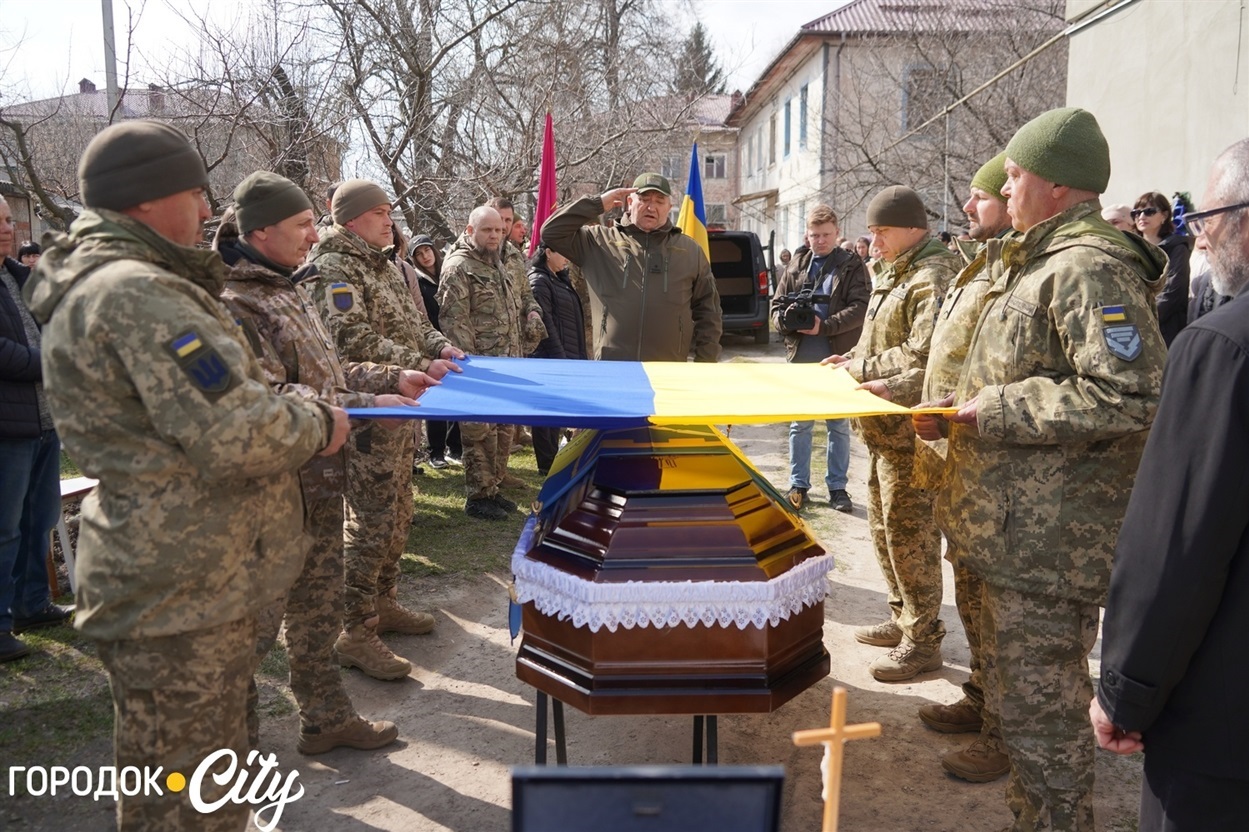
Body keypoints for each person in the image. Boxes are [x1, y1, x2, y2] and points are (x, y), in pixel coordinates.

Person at [25, 120, 350, 830]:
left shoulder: (118, 282)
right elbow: (237, 431)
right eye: (196, 192)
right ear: (145, 200)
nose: (208, 210)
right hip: (179, 591)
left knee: (191, 790)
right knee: (184, 805)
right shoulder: (142, 295)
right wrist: (320, 424)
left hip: (179, 577)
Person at [935, 108, 1167, 830]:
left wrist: (996, 408)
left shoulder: (1087, 269)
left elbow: (1132, 395)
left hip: (1047, 545)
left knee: (1043, 722)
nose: (1003, 185)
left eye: (1013, 173)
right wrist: (966, 401)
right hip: (1013, 535)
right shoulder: (1039, 260)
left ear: (1059, 186)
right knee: (1022, 711)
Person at [216, 171, 438, 751]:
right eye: (302, 224)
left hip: (317, 478)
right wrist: (368, 398)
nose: (313, 234)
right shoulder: (235, 301)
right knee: (256, 628)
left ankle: (325, 716)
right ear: (260, 231)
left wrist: (381, 389)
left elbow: (326, 377)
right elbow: (258, 398)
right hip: (272, 491)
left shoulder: (288, 284)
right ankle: (216, 747)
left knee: (316, 609)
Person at [1091, 138, 1249, 831]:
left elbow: (1175, 551)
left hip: (1223, 736)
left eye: (1207, 213)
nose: (1199, 233)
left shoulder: (1220, 347)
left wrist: (1125, 695)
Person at [306, 179, 462, 680]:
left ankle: (384, 601)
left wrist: (440, 348)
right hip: (368, 411)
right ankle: (355, 629)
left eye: (388, 212)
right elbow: (350, 339)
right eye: (378, 212)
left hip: (402, 407)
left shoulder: (387, 264)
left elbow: (415, 323)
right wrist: (417, 361)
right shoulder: (334, 268)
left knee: (398, 512)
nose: (388, 219)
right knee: (369, 521)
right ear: (351, 219)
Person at [909, 152, 1014, 784]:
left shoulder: (1020, 270)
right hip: (960, 455)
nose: (970, 206)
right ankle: (982, 699)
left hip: (998, 472)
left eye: (983, 195)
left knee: (1001, 611)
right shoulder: (988, 266)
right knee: (972, 596)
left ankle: (1003, 728)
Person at [825, 185, 959, 683]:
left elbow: (923, 357)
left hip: (910, 433)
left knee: (911, 537)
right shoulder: (896, 271)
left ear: (911, 228)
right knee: (884, 532)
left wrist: (863, 374)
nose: (873, 241)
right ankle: (904, 617)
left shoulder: (933, 275)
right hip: (882, 431)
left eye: (882, 231)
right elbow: (879, 341)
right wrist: (852, 362)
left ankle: (923, 641)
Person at [541, 172, 722, 362]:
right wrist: (598, 204)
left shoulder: (689, 251)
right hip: (612, 367)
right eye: (644, 199)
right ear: (629, 202)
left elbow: (709, 313)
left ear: (669, 207)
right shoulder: (599, 241)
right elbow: (551, 232)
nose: (651, 207)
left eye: (660, 201)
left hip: (669, 370)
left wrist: (706, 363)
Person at [0, 197, 72, 664]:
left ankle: (31, 605)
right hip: (6, 429)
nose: (6, 228)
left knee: (38, 520)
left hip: (44, 421)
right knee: (3, 530)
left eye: (7, 220)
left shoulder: (20, 277)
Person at [438, 205, 544, 520]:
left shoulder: (503, 261)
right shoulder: (459, 267)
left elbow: (522, 298)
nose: (495, 235)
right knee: (478, 432)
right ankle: (478, 496)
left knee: (502, 430)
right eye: (487, 230)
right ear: (470, 231)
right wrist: (470, 372)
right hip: (479, 368)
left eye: (498, 230)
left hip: (509, 363)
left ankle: (493, 489)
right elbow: (454, 324)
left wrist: (532, 313)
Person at [771, 204, 870, 514]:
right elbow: (776, 306)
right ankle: (798, 484)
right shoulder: (797, 264)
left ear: (837, 233)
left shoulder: (852, 265)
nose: (821, 241)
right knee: (800, 424)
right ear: (807, 235)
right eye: (815, 235)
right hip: (800, 355)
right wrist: (784, 323)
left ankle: (837, 488)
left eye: (826, 235)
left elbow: (860, 307)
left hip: (837, 354)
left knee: (838, 424)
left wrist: (824, 325)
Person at [486, 197, 543, 462]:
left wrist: (533, 310)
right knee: (486, 422)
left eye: (509, 220)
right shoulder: (473, 255)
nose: (504, 226)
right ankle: (485, 483)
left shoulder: (513, 255)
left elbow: (525, 293)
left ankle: (501, 471)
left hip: (513, 348)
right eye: (500, 220)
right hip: (486, 352)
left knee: (507, 417)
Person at [527, 244, 587, 475]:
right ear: (548, 252)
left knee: (557, 411)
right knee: (546, 413)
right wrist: (560, 358)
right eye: (563, 252)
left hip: (567, 355)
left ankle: (556, 459)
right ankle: (546, 464)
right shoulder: (539, 281)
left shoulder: (559, 278)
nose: (567, 258)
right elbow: (547, 324)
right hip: (550, 358)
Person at [410, 233, 462, 469]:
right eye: (419, 254)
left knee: (457, 398)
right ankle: (436, 451)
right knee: (436, 398)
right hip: (432, 344)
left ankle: (456, 447)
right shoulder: (417, 282)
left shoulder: (448, 274)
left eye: (427, 250)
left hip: (454, 342)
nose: (425, 256)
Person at [1133, 191, 1192, 346]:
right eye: (1137, 213)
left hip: (1166, 330)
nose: (1141, 217)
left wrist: (1143, 318)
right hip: (1134, 329)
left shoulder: (1177, 248)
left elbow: (1173, 292)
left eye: (1149, 211)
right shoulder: (1129, 248)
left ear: (1164, 216)